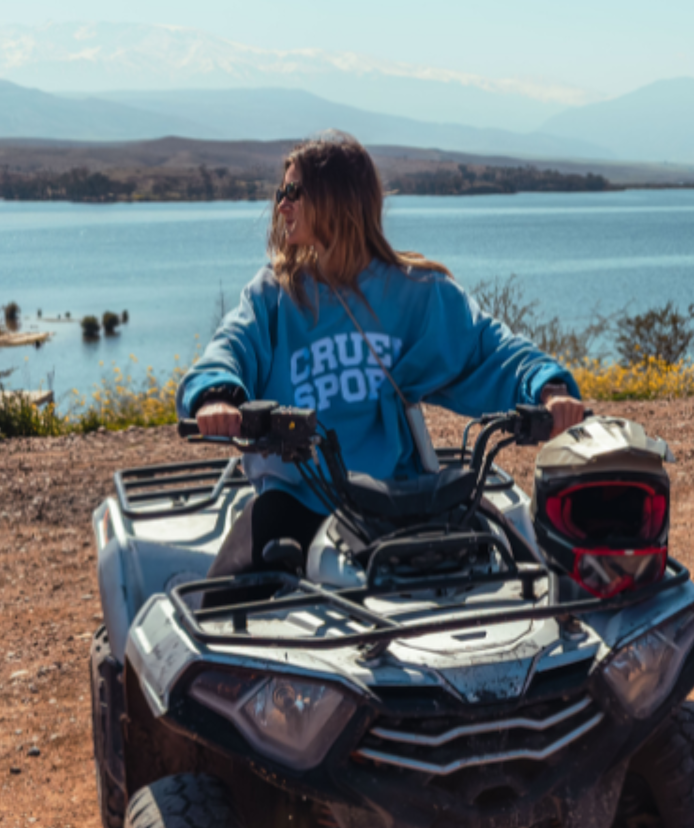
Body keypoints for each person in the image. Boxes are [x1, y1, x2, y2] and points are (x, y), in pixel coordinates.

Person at [177, 131, 585, 578]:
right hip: (300, 498)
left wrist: (549, 389)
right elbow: (231, 346)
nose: (282, 205)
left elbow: (489, 347)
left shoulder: (415, 292)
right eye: (281, 192)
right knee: (223, 602)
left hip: (401, 496)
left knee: (528, 574)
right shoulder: (273, 297)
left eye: (294, 191)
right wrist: (216, 396)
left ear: (336, 198)